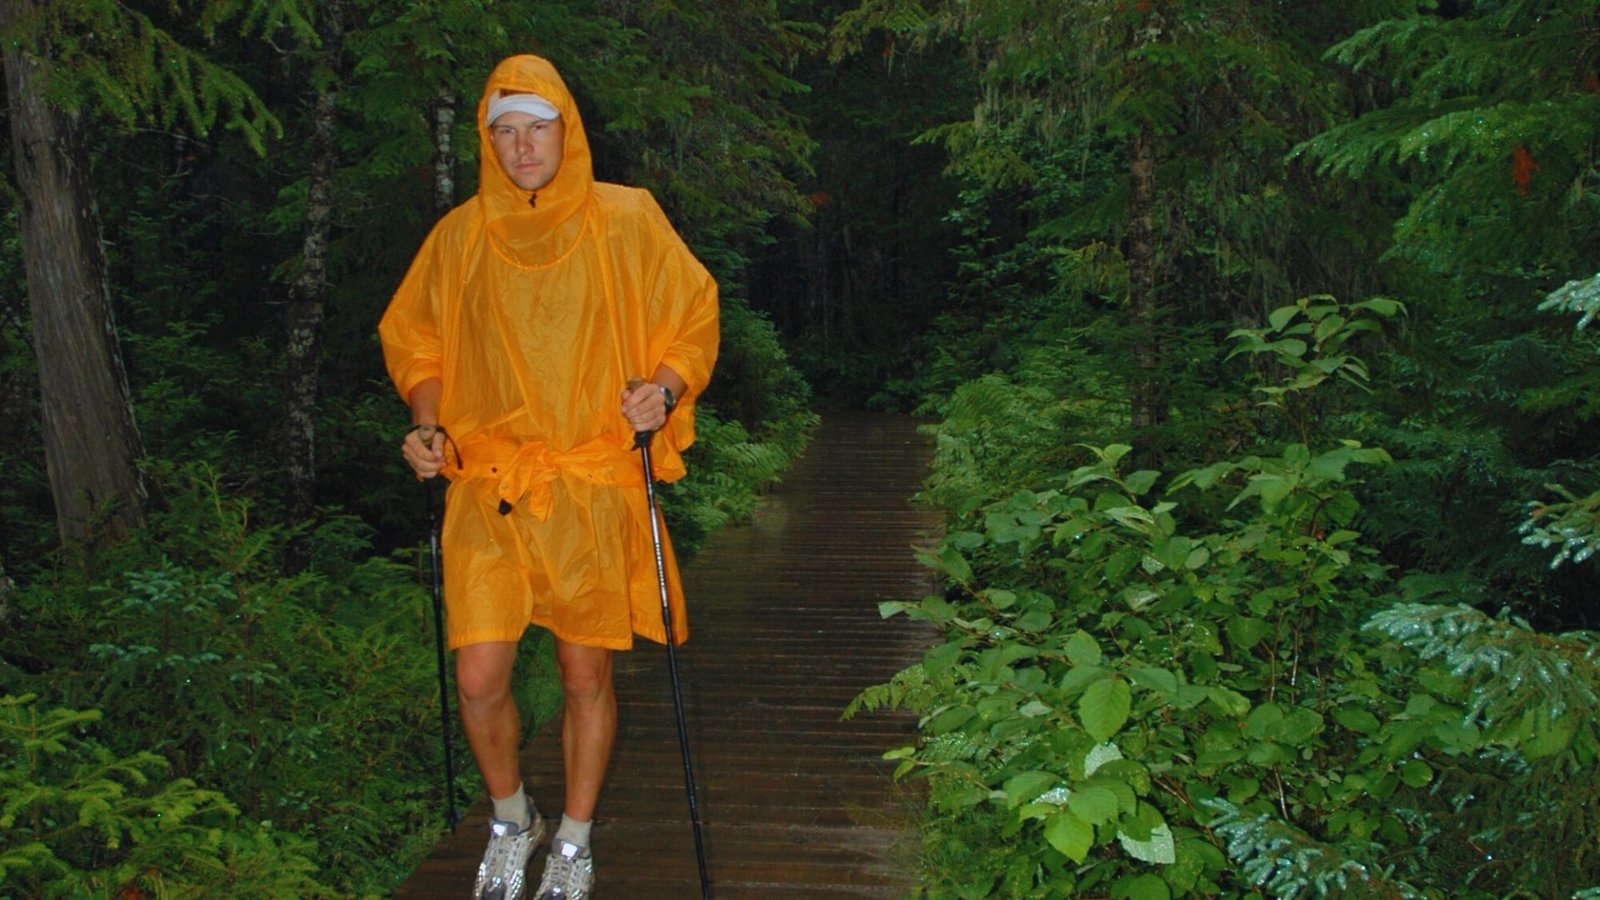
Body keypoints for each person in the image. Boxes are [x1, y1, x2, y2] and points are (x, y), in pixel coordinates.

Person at [379, 53, 719, 900]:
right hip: (492, 484)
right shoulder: (460, 236)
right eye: (504, 131)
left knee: (582, 676)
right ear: (487, 142)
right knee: (479, 678)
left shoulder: (626, 218)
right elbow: (417, 339)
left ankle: (572, 836)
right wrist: (427, 422)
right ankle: (510, 818)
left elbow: (692, 312)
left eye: (537, 126)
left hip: (589, 481)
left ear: (567, 128)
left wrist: (661, 392)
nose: (522, 146)